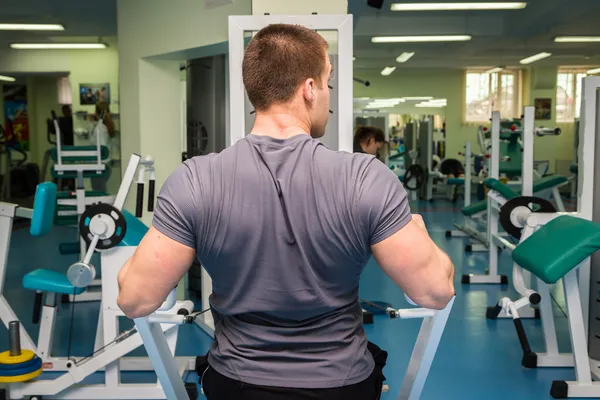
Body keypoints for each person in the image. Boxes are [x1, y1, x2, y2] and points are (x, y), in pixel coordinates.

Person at [117, 24, 454, 400]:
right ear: (309, 88)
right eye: (328, 83)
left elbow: (135, 300)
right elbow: (435, 292)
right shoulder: (366, 177)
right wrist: (419, 234)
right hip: (341, 385)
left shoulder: (194, 180)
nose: (327, 96)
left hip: (238, 385)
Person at [89, 101, 115, 192]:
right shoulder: (104, 126)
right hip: (105, 164)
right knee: (100, 191)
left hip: (100, 165)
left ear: (97, 112)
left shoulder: (100, 128)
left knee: (98, 193)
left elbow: (102, 147)